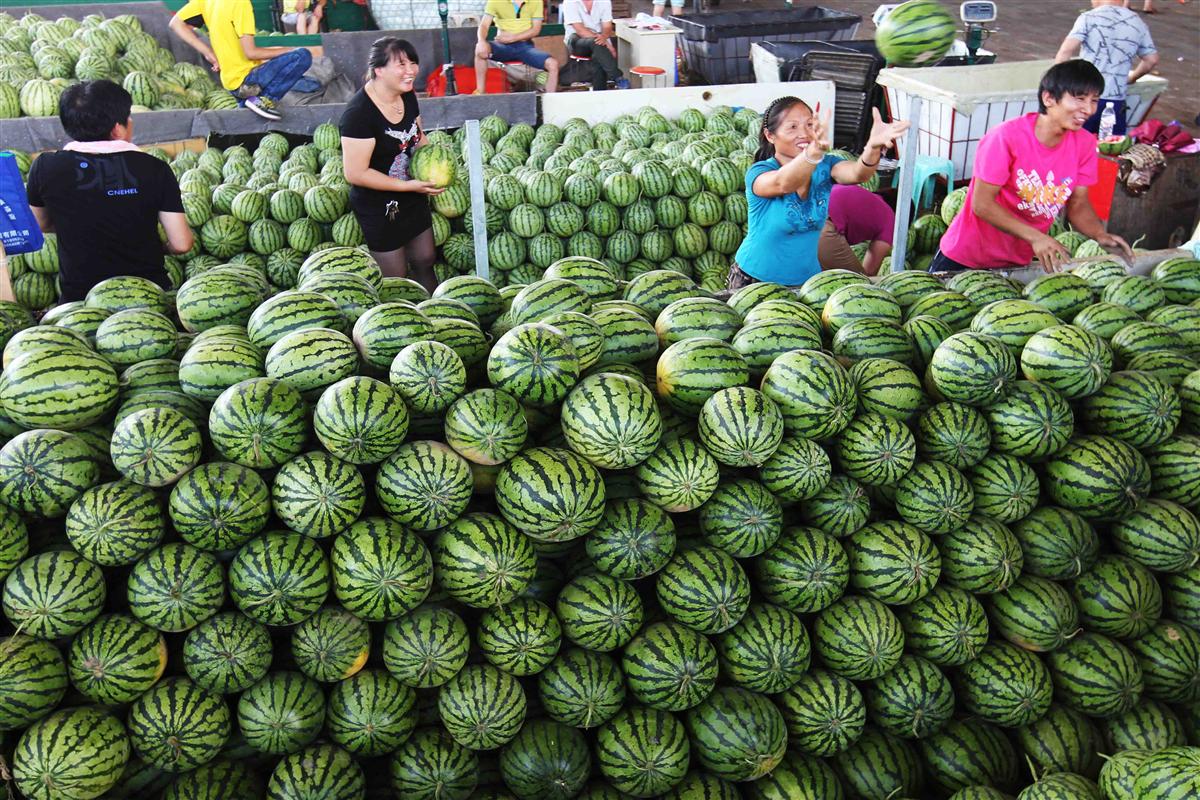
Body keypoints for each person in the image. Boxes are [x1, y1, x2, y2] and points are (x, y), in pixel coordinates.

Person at [932, 60, 1133, 274]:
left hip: (1016, 263)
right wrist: (1036, 236)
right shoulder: (1005, 138)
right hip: (966, 256)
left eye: (1094, 100)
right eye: (1079, 99)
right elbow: (982, 204)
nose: (1089, 109)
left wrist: (1100, 235)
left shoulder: (1084, 144)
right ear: (1048, 98)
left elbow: (1079, 205)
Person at [24, 80, 193, 303]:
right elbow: (182, 243)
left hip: (81, 302)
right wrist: (159, 246)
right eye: (128, 116)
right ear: (116, 129)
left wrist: (83, 226)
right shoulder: (155, 168)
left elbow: (40, 225)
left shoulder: (45, 167)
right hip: (148, 298)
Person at [729, 99, 909, 289]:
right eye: (792, 127)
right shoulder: (759, 172)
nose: (804, 133)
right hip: (755, 281)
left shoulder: (825, 165)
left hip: (807, 284)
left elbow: (858, 173)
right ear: (770, 135)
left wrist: (872, 147)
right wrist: (811, 155)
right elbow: (783, 183)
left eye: (809, 125)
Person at [340, 38, 443, 291]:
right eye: (401, 64)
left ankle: (434, 310)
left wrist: (437, 163)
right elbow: (355, 173)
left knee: (425, 258)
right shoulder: (358, 115)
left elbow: (417, 136)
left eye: (413, 62)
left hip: (412, 191)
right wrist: (408, 187)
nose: (411, 70)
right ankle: (401, 319)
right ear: (379, 70)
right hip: (379, 204)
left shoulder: (406, 94)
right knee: (396, 276)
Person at [169, 0, 315, 120]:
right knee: (302, 56)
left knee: (309, 83)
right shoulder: (241, 3)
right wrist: (289, 50)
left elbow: (175, 23)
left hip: (230, 83)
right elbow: (250, 53)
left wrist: (208, 53)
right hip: (247, 80)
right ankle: (264, 99)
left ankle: (251, 103)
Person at [1055, 0, 1158, 136]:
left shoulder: (1088, 18)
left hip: (1084, 98)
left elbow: (1065, 52)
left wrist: (1061, 85)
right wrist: (1132, 77)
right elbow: (1152, 59)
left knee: (1074, 146)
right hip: (1116, 102)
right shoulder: (1137, 22)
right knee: (1110, 151)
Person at [474, 0, 559, 94]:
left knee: (553, 64)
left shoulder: (536, 1)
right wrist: (481, 41)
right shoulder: (495, 1)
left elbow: (536, 30)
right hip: (502, 45)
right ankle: (480, 92)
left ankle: (550, 100)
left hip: (525, 47)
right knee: (480, 50)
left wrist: (512, 38)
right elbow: (484, 25)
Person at [820, 184, 895, 276]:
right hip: (822, 226)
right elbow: (870, 270)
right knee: (858, 281)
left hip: (802, 218)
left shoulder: (868, 198)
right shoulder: (891, 219)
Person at [562, 0, 629, 91]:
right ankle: (617, 76)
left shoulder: (604, 2)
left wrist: (604, 37)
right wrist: (607, 44)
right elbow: (580, 30)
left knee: (598, 54)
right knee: (596, 43)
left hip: (601, 40)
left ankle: (599, 92)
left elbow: (607, 26)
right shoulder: (570, 2)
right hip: (576, 40)